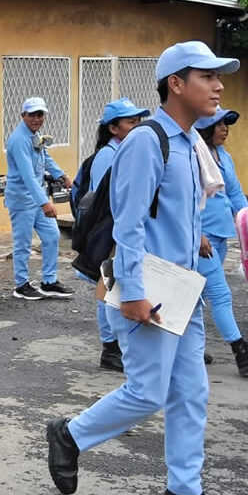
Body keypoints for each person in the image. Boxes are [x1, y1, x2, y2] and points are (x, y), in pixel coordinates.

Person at [46, 41, 245, 495]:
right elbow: (129, 222)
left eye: (219, 76)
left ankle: (185, 493)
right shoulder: (147, 140)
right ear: (176, 83)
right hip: (149, 289)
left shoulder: (189, 142)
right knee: (148, 392)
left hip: (183, 287)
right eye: (207, 77)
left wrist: (192, 236)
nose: (219, 86)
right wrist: (131, 291)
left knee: (191, 394)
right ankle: (70, 435)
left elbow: (170, 209)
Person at [194, 108, 248, 376]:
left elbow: (236, 192)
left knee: (195, 295)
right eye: (219, 124)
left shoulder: (222, 156)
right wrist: (196, 235)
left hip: (219, 234)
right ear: (206, 127)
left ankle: (186, 347)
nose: (225, 129)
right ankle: (242, 352)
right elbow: (185, 200)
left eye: (226, 124)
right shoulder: (193, 156)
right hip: (200, 238)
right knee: (219, 292)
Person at [86, 98, 149, 371]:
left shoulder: (128, 150)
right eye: (130, 122)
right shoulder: (107, 156)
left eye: (138, 121)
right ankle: (109, 347)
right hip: (110, 232)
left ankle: (119, 345)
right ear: (113, 128)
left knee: (116, 284)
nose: (136, 126)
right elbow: (106, 201)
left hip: (122, 230)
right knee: (108, 286)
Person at [4, 97, 74, 300]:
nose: (37, 119)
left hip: (37, 196)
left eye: (40, 114)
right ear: (22, 116)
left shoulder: (35, 135)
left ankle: (49, 281)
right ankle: (21, 285)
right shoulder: (19, 140)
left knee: (52, 236)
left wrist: (63, 175)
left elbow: (46, 158)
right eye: (32, 115)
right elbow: (26, 175)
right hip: (23, 199)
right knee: (23, 243)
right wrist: (44, 203)